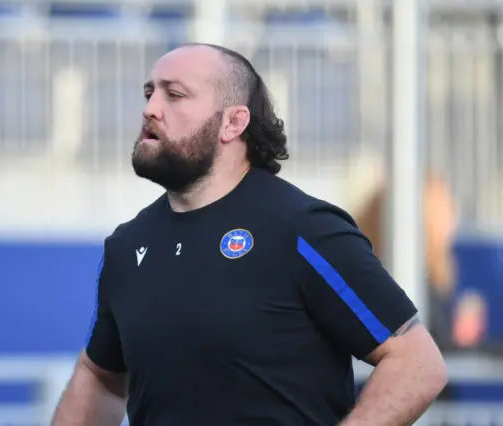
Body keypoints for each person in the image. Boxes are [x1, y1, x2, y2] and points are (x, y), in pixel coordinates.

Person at [52, 43, 447, 426]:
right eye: (149, 93)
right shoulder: (126, 246)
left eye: (174, 94)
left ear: (233, 123)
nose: (151, 109)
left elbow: (416, 362)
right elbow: (101, 377)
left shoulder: (302, 229)